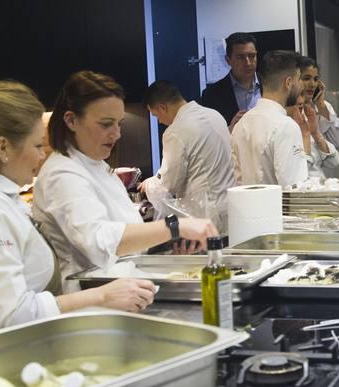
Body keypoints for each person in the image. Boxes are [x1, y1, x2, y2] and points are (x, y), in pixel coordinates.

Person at [0, 79, 159, 343]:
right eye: (37, 146)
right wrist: (103, 296)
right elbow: (11, 316)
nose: (42, 157)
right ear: (3, 148)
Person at [33, 72, 217, 280]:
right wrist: (174, 227)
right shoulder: (62, 174)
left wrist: (167, 251)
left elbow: (129, 241)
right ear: (71, 120)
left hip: (125, 285)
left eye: (118, 123)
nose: (117, 133)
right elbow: (99, 242)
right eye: (105, 124)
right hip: (93, 295)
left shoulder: (97, 165)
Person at [140, 79, 235, 226]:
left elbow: (169, 184)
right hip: (232, 207)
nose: (159, 121)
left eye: (156, 115)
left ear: (162, 107)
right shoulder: (214, 115)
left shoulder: (175, 132)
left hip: (207, 215)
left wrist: (149, 184)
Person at [231, 50, 310, 186]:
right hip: (276, 206)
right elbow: (295, 188)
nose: (301, 85)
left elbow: (235, 181)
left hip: (246, 206)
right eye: (299, 79)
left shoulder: (241, 124)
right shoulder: (286, 126)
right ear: (288, 82)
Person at [199, 33, 261, 129]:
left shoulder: (271, 84)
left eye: (252, 56)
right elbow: (207, 135)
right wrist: (229, 129)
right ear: (228, 60)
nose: (248, 63)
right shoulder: (211, 95)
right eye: (240, 57)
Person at [296, 56, 339, 179]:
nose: (312, 84)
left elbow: (338, 142)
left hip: (321, 178)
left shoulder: (322, 106)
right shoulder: (289, 112)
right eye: (306, 78)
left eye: (316, 79)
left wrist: (321, 106)